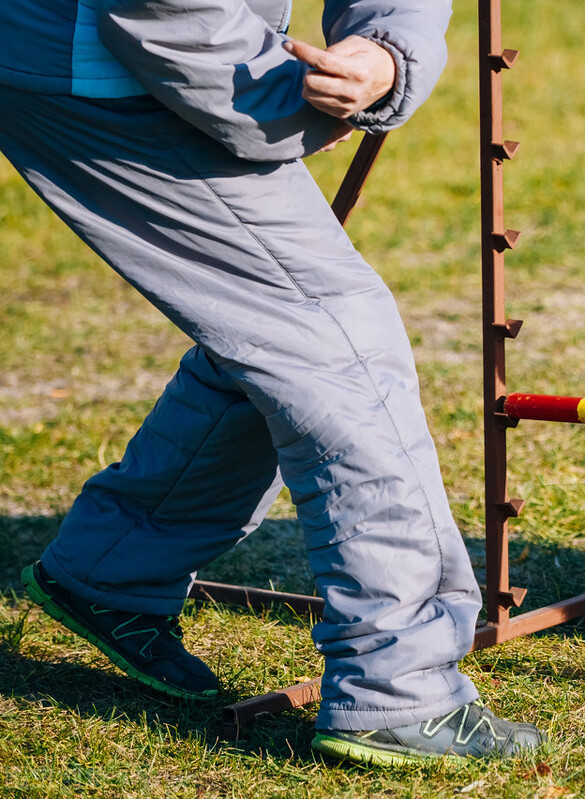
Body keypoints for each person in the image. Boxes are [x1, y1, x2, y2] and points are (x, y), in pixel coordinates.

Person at [0, 0, 544, 765]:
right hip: (111, 62)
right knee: (341, 345)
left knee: (277, 329)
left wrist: (387, 55)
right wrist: (282, 99)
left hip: (121, 53)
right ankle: (398, 688)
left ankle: (113, 565)